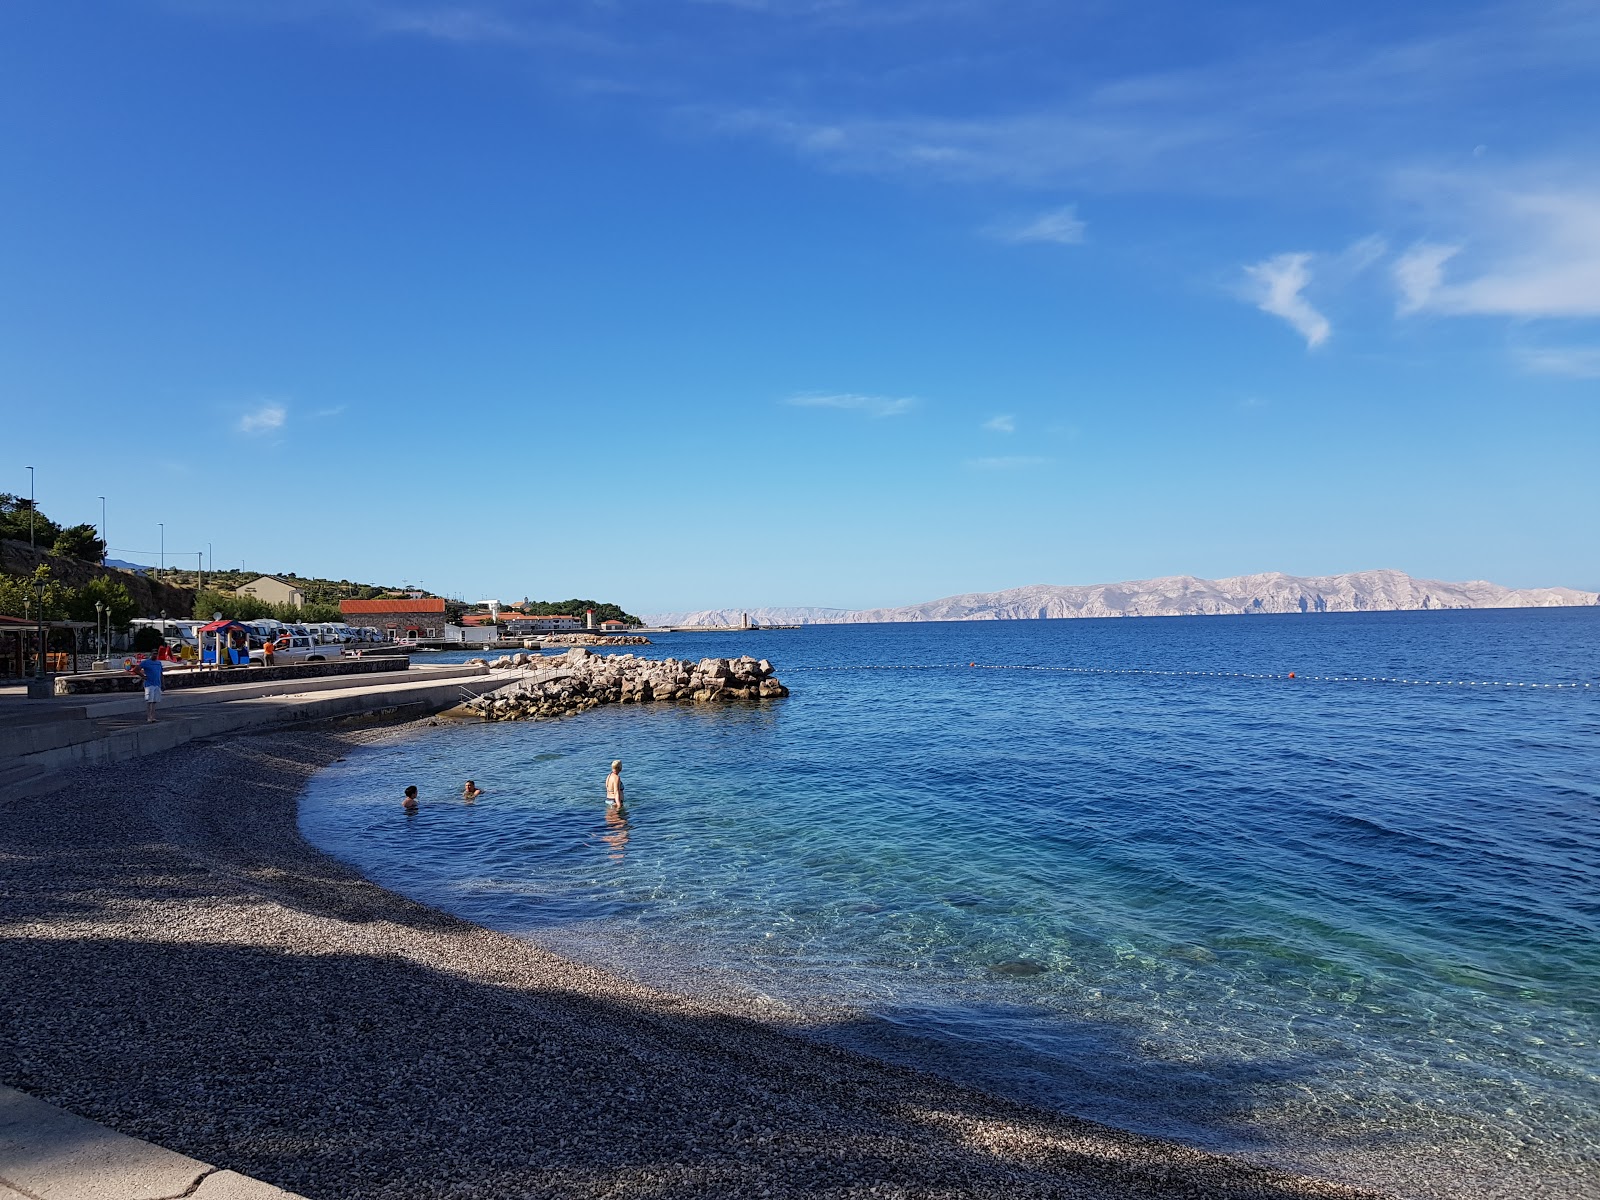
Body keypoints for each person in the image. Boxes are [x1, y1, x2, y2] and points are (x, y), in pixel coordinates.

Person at [134, 651, 164, 724]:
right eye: (154, 654)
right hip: (149, 684)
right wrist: (143, 676)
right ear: (151, 654)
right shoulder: (146, 662)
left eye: (156, 654)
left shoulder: (159, 663)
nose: (155, 655)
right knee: (149, 701)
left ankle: (153, 717)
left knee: (154, 701)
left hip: (157, 684)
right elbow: (136, 669)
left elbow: (160, 673)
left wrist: (163, 683)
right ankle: (149, 717)